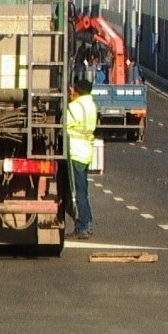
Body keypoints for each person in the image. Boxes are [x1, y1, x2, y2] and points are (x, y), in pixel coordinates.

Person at [66, 78, 98, 239]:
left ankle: (83, 226)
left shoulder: (75, 107)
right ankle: (87, 222)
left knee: (77, 192)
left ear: (77, 91)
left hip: (76, 152)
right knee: (83, 190)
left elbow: (64, 125)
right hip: (86, 152)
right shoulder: (91, 105)